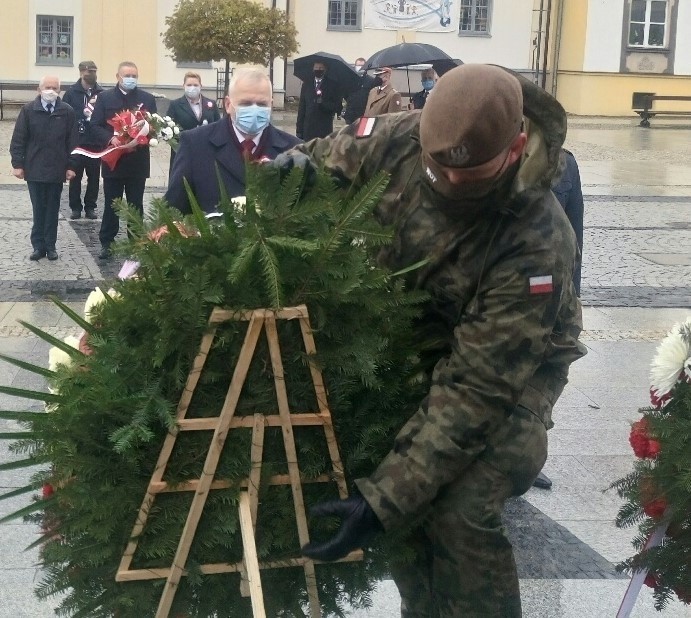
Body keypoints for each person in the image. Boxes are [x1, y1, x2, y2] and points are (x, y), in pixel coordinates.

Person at [275, 64, 586, 616]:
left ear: (516, 146)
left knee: (457, 507)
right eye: (437, 167)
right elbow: (330, 158)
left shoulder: (536, 238)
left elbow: (476, 390)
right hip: (410, 342)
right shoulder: (401, 136)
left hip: (515, 373)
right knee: (403, 493)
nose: (450, 183)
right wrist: (298, 167)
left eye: (472, 175)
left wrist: (379, 503)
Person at [164, 68, 301, 215]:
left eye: (262, 104)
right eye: (246, 103)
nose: (254, 110)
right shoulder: (194, 144)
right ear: (228, 104)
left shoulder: (294, 149)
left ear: (271, 105)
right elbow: (173, 211)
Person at [89, 61, 157, 260]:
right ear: (117, 76)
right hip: (114, 159)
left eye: (134, 75)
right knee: (112, 203)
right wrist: (111, 138)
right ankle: (107, 243)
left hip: (138, 161)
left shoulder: (147, 98)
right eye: (127, 75)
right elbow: (95, 126)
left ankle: (136, 243)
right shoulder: (104, 98)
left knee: (136, 204)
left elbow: (154, 126)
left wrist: (144, 137)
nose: (131, 79)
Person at [10, 76, 78, 261]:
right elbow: (19, 139)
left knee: (52, 209)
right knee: (38, 209)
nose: (51, 90)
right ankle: (38, 246)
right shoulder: (28, 110)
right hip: (35, 168)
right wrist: (18, 164)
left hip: (57, 169)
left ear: (60, 90)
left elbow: (73, 142)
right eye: (47, 87)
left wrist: (72, 166)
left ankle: (51, 245)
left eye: (55, 87)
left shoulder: (67, 111)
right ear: (39, 90)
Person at [62, 60, 104, 220]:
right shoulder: (71, 93)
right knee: (75, 176)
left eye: (94, 71)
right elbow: (66, 116)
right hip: (77, 142)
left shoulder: (101, 93)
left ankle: (91, 207)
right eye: (89, 71)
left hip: (95, 142)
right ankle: (75, 208)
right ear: (81, 72)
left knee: (93, 177)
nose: (92, 74)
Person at [166, 71, 221, 172]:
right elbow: (168, 130)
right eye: (189, 85)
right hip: (183, 153)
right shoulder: (175, 105)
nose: (192, 87)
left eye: (195, 85)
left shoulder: (211, 104)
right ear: (183, 86)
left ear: (201, 86)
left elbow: (219, 127)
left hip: (206, 153)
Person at [296, 61, 342, 141]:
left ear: (325, 70)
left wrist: (322, 103)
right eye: (316, 68)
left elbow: (336, 106)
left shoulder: (332, 85)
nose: (318, 70)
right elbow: (302, 107)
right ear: (313, 69)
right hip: (308, 128)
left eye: (321, 68)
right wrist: (299, 129)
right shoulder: (307, 84)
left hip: (324, 128)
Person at [342, 57, 376, 124]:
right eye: (358, 65)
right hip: (350, 114)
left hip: (363, 113)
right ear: (355, 66)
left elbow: (373, 95)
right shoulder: (350, 80)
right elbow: (345, 94)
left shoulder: (371, 81)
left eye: (362, 65)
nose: (360, 67)